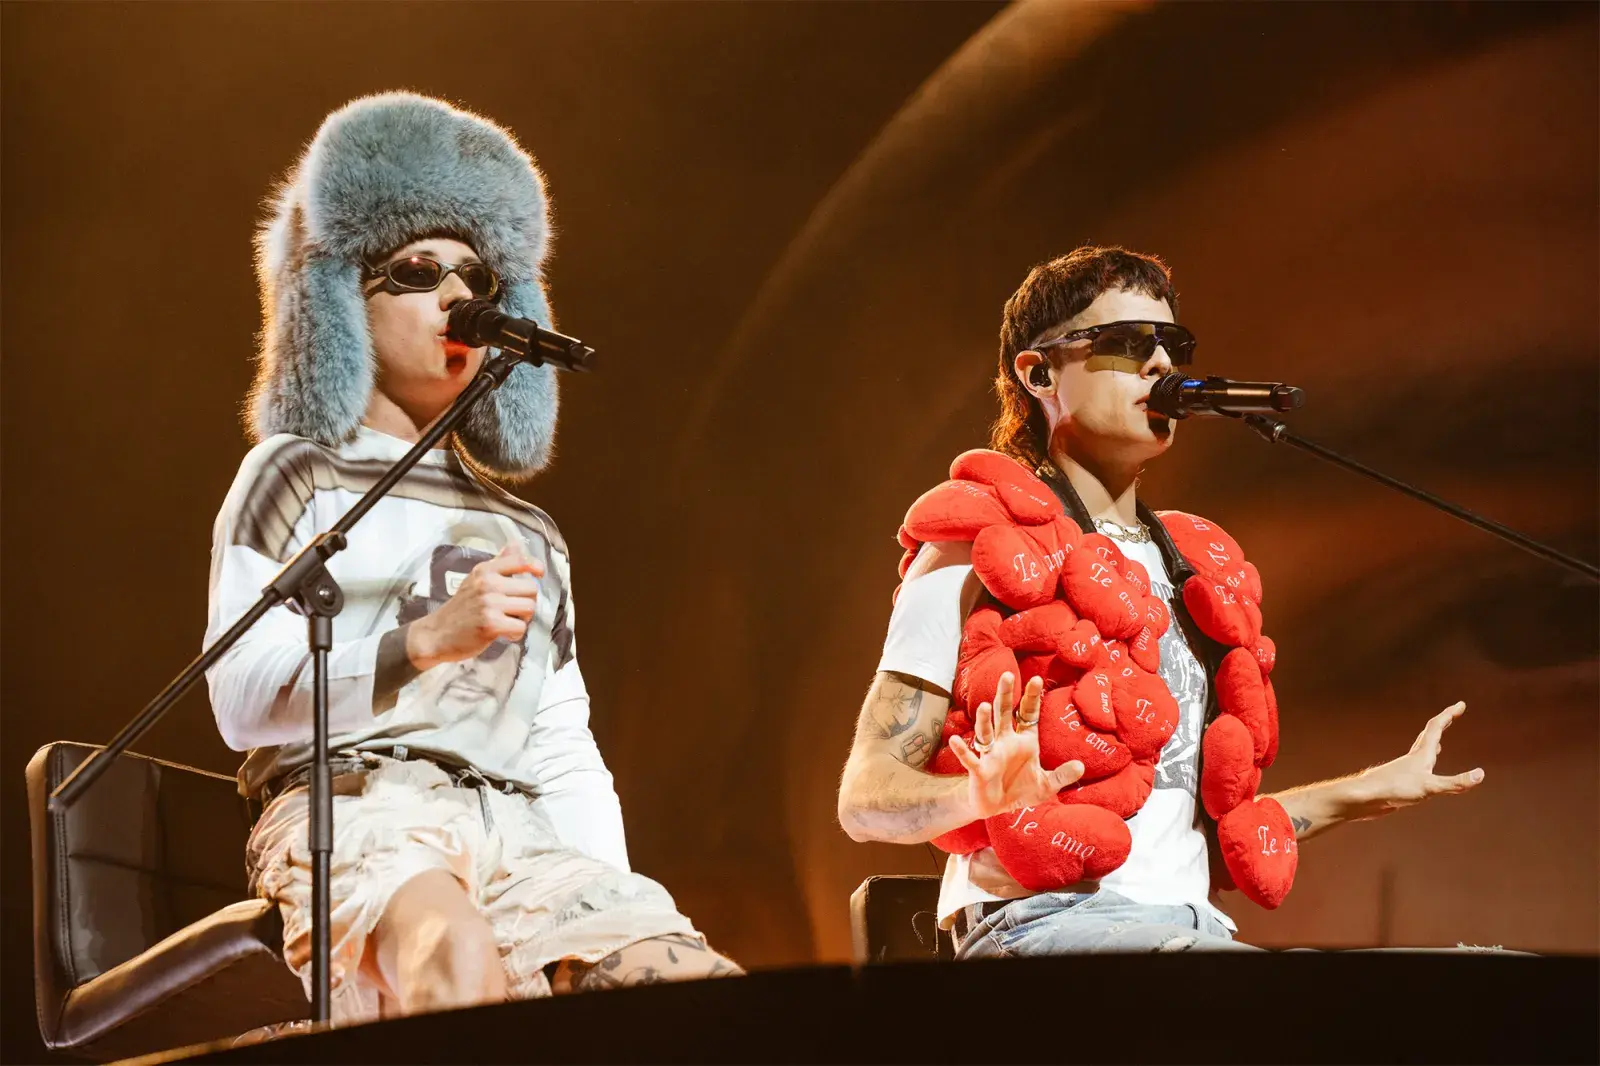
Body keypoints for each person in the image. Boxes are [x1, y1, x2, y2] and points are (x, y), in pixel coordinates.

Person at [207, 92, 737, 1028]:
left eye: (480, 278)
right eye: (418, 271)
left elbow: (562, 748)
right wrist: (423, 642)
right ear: (339, 300)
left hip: (515, 827)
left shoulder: (526, 532)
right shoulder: (294, 475)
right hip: (353, 809)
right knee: (452, 956)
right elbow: (238, 702)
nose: (460, 299)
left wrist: (610, 897)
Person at [836, 245, 1487, 957]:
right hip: (1037, 929)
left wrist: (1376, 787)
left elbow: (1188, 825)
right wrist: (977, 798)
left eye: (1170, 344)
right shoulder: (974, 546)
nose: (1159, 366)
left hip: (1187, 933)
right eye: (1124, 344)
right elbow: (865, 798)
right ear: (1040, 371)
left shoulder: (1188, 572)